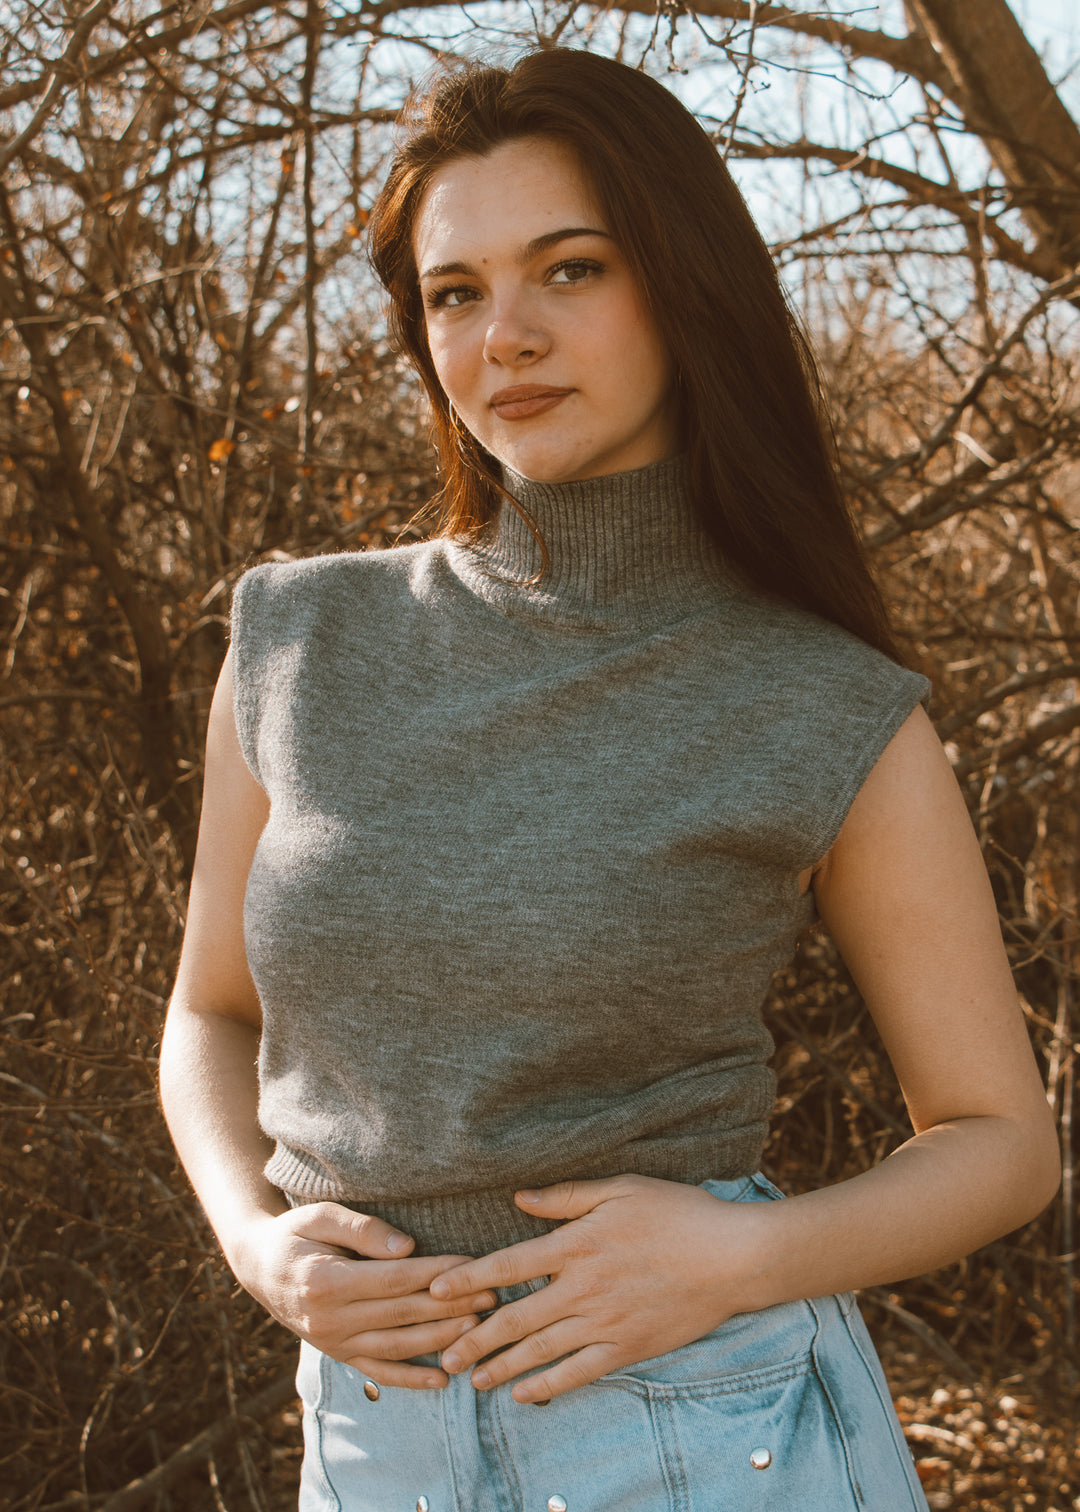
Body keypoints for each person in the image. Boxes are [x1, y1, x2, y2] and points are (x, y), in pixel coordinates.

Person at [160, 47, 1060, 1511]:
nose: (503, 334)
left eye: (568, 271)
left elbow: (1001, 1143)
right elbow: (208, 1010)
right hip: (373, 1442)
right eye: (454, 293)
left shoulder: (819, 700)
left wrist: (746, 1252)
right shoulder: (300, 639)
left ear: (681, 286)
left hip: (703, 1428)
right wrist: (259, 1245)